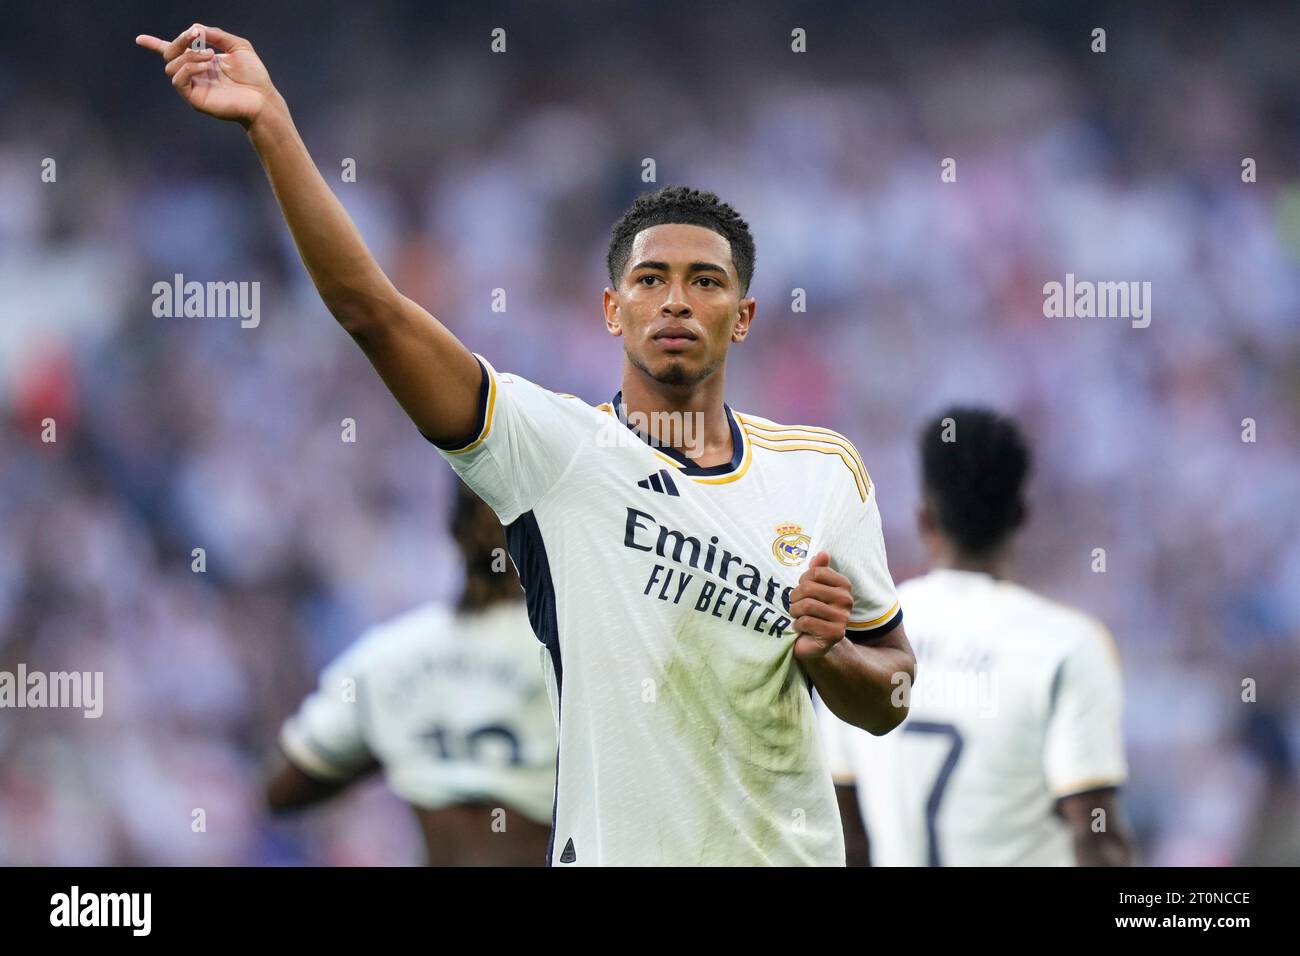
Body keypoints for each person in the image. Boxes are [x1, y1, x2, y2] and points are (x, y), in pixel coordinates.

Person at [137, 23, 915, 865]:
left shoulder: (823, 472)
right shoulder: (556, 452)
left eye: (706, 282)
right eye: (650, 280)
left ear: (745, 316)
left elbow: (891, 694)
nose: (677, 302)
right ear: (614, 311)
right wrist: (274, 126)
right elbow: (374, 312)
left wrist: (835, 657)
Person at [819, 407, 1133, 866]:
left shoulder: (862, 639)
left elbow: (846, 840)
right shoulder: (1066, 648)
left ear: (925, 519)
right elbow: (1096, 840)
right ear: (1021, 515)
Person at [266, 483, 556, 865]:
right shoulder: (577, 654)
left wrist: (407, 741)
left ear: (454, 530)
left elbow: (281, 791)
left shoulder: (386, 655)